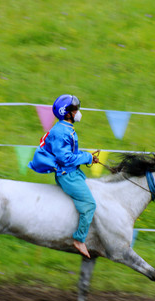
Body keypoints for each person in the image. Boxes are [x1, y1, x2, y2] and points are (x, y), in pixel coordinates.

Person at [29, 95, 99, 258]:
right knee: (89, 204)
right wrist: (87, 157)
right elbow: (64, 158)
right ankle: (79, 239)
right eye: (75, 109)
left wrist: (88, 156)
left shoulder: (65, 128)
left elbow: (71, 154)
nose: (78, 112)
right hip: (67, 175)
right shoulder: (61, 132)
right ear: (66, 113)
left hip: (73, 172)